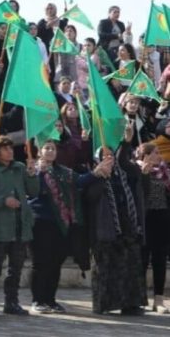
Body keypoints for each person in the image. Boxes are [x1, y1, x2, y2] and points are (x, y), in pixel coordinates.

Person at [29, 140, 111, 314]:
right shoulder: (33, 170)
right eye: (47, 148)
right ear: (39, 151)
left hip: (62, 223)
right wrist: (38, 174)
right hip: (41, 222)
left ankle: (50, 300)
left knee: (56, 262)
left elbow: (79, 181)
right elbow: (32, 191)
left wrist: (96, 172)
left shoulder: (63, 171)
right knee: (41, 262)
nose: (50, 151)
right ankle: (38, 300)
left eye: (53, 148)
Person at [82, 126, 147, 315]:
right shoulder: (93, 176)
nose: (109, 159)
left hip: (127, 226)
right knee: (104, 268)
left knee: (130, 266)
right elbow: (89, 198)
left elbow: (129, 166)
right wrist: (99, 176)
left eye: (111, 155)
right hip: (105, 229)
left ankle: (131, 304)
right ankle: (104, 304)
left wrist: (126, 142)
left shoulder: (124, 173)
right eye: (104, 156)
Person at [0, 135, 39, 317]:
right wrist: (4, 201)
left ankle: (11, 302)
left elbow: (33, 191)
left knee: (16, 269)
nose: (10, 151)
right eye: (5, 149)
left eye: (11, 148)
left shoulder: (19, 168)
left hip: (19, 226)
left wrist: (31, 174)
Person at [136, 143, 170, 313]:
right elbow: (139, 194)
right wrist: (144, 174)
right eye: (155, 152)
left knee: (160, 260)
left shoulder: (164, 171)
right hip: (145, 219)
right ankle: (139, 299)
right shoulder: (137, 170)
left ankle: (158, 299)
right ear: (146, 155)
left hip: (162, 218)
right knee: (142, 259)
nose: (159, 155)